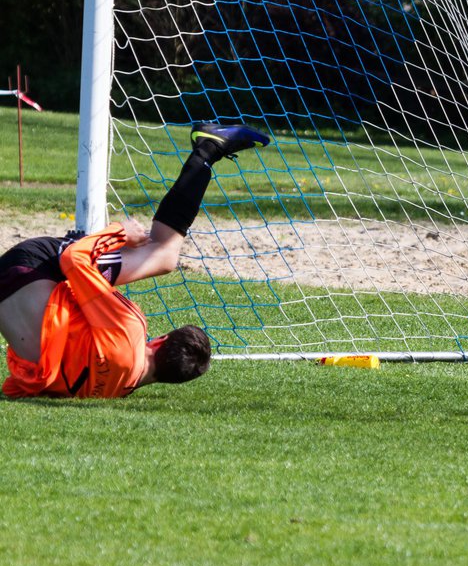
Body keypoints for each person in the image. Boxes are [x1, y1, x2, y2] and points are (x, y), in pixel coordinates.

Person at [0, 122, 270, 398]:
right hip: (7, 295)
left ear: (161, 339)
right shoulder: (114, 391)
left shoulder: (130, 331)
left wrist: (119, 233)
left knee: (163, 255)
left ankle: (208, 149)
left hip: (31, 267)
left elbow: (75, 259)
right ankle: (207, 149)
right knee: (158, 258)